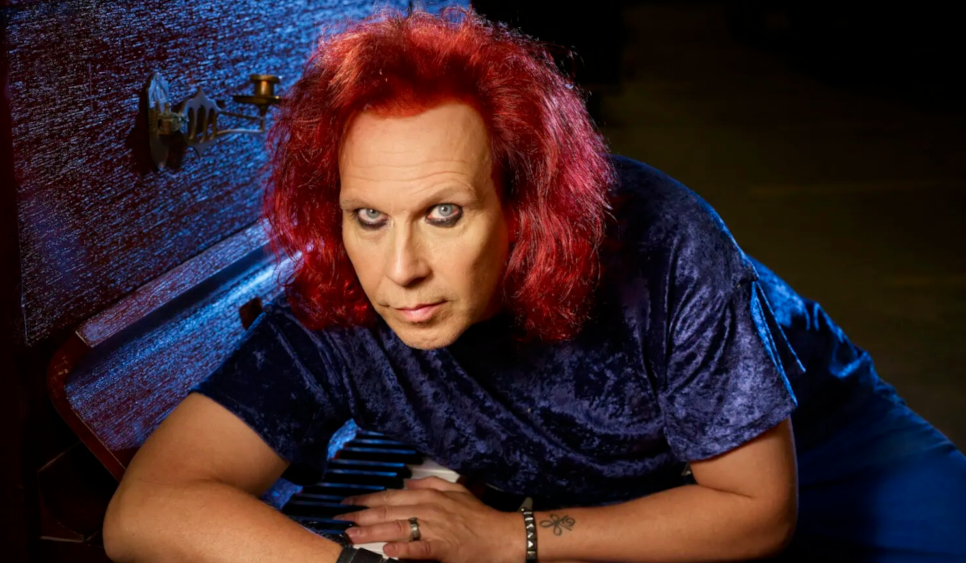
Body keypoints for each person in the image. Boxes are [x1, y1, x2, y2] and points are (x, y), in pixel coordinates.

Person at [102, 8, 966, 563]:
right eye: (368, 216)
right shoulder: (349, 292)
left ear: (523, 207)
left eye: (444, 213)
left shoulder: (665, 242)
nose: (401, 268)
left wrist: (506, 536)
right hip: (621, 506)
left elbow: (756, 509)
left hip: (827, 450)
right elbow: (148, 505)